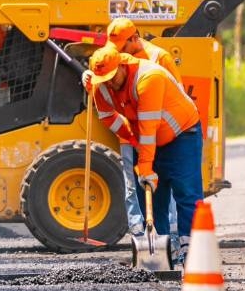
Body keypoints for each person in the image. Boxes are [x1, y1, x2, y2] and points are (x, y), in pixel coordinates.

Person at [87, 45, 203, 267]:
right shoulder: (101, 83)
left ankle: (191, 250)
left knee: (186, 191)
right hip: (147, 138)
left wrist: (146, 166)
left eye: (112, 77)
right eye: (104, 79)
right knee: (150, 195)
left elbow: (149, 127)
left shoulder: (150, 77)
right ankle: (161, 251)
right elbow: (107, 116)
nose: (109, 83)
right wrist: (131, 138)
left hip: (181, 135)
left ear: (122, 65)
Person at [85, 17, 183, 251]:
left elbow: (177, 96)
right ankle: (140, 238)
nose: (117, 53)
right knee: (133, 183)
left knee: (163, 182)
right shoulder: (111, 56)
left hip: (160, 134)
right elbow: (99, 75)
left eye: (120, 48)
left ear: (135, 39)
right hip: (130, 133)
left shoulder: (159, 58)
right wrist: (88, 78)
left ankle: (170, 238)